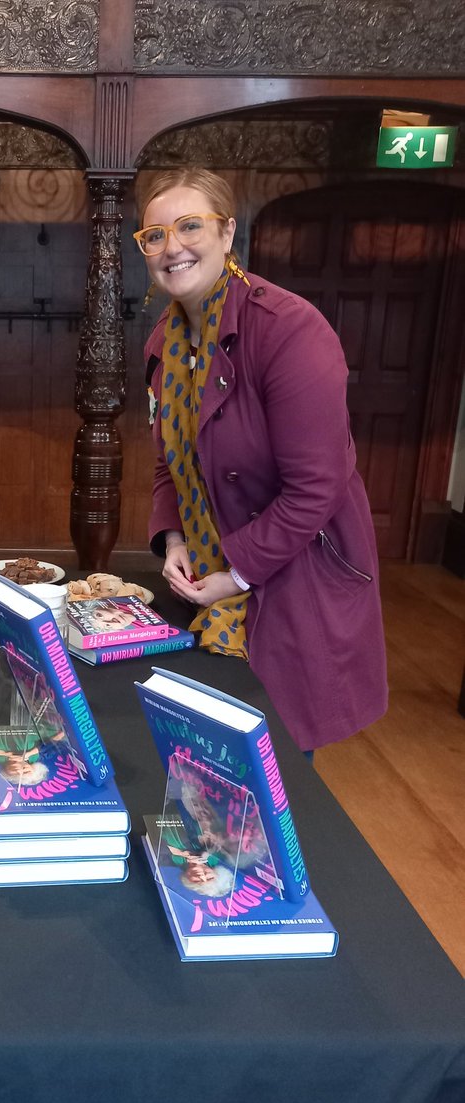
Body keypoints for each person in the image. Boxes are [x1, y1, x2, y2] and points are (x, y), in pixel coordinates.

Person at [135, 166, 387, 751]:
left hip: (295, 581)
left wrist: (237, 573)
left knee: (279, 776)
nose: (172, 247)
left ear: (227, 234)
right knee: (209, 773)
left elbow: (316, 489)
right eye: (154, 235)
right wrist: (172, 540)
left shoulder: (291, 330)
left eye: (189, 226)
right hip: (208, 581)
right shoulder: (162, 345)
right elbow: (170, 463)